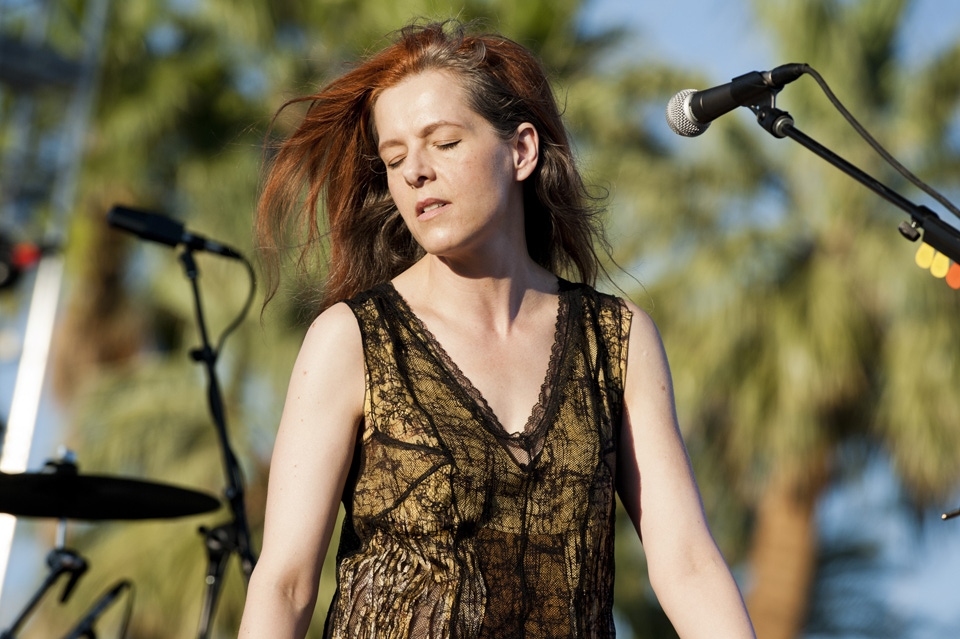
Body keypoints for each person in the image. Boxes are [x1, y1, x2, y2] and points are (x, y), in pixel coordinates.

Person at [239, 19, 756, 639]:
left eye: (444, 143)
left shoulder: (616, 339)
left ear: (521, 151)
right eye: (395, 156)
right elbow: (286, 583)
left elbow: (689, 565)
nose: (415, 172)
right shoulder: (352, 339)